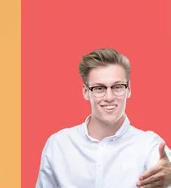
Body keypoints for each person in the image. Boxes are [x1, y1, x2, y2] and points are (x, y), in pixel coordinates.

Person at [36, 48, 171, 188]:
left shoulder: (149, 145)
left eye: (117, 87)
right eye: (99, 88)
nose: (109, 97)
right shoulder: (58, 145)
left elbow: (166, 168)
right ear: (85, 92)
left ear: (128, 89)